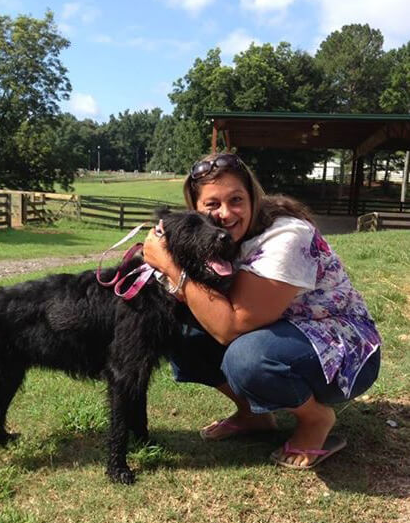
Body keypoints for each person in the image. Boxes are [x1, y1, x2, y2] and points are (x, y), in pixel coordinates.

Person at [143, 152, 381, 469]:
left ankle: (315, 420)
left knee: (247, 357)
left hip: (344, 351)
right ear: (196, 209)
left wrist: (172, 267)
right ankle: (253, 416)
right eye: (212, 205)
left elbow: (230, 326)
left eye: (236, 200)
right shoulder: (215, 241)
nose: (225, 214)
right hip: (283, 335)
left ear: (253, 198)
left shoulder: (287, 236)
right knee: (184, 332)